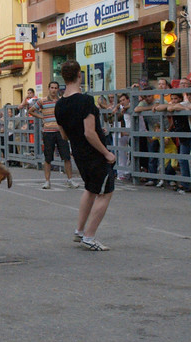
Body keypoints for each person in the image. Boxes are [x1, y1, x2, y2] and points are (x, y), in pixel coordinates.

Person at [55, 60, 116, 251]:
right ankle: (89, 236)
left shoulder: (59, 105)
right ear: (79, 75)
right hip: (94, 153)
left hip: (78, 153)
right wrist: (107, 153)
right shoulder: (86, 101)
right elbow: (89, 132)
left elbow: (64, 135)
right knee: (105, 192)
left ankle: (80, 230)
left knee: (90, 189)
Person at [28, 81, 79, 189]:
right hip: (48, 132)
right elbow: (31, 110)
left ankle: (70, 180)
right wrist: (41, 117)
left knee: (66, 156)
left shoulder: (61, 101)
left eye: (56, 88)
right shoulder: (43, 101)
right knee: (48, 158)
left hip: (61, 132)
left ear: (58, 89)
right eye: (52, 87)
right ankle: (47, 181)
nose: (54, 90)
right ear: (49, 88)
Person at [111, 93, 131, 180]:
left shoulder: (131, 105)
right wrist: (117, 106)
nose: (122, 102)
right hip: (127, 131)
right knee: (121, 152)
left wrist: (123, 107)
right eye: (120, 100)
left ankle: (128, 172)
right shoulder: (122, 107)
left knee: (131, 153)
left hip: (134, 131)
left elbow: (131, 106)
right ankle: (123, 173)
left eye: (124, 100)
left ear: (128, 99)